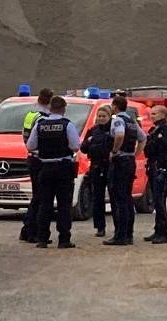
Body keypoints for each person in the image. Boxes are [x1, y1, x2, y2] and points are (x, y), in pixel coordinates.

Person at [24, 95, 80, 249]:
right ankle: (64, 239)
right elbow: (75, 146)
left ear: (50, 108)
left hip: (45, 168)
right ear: (63, 109)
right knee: (64, 204)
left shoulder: (40, 124)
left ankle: (42, 238)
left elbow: (30, 146)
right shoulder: (67, 125)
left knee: (44, 204)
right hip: (63, 168)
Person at [103, 96, 145, 245]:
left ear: (115, 107)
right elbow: (142, 138)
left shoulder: (118, 120)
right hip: (129, 161)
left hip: (120, 161)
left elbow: (120, 134)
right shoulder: (132, 121)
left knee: (119, 198)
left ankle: (120, 236)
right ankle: (128, 234)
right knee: (127, 198)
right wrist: (135, 154)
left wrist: (114, 151)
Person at [18, 91, 54, 243]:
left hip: (32, 158)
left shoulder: (30, 115)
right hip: (40, 159)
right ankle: (31, 231)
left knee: (37, 197)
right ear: (49, 102)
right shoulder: (42, 119)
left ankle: (27, 230)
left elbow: (25, 137)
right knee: (40, 198)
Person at [142, 105, 167, 244]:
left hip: (162, 169)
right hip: (152, 167)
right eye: (151, 114)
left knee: (160, 201)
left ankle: (163, 233)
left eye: (155, 113)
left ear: (163, 115)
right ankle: (158, 230)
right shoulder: (153, 130)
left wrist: (157, 140)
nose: (152, 116)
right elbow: (148, 149)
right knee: (156, 201)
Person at [79, 110, 116, 238]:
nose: (101, 118)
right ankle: (100, 227)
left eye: (104, 116)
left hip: (110, 166)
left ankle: (118, 227)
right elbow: (83, 148)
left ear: (109, 117)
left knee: (114, 197)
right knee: (97, 198)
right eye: (99, 116)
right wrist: (89, 141)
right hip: (96, 166)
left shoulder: (114, 129)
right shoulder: (93, 130)